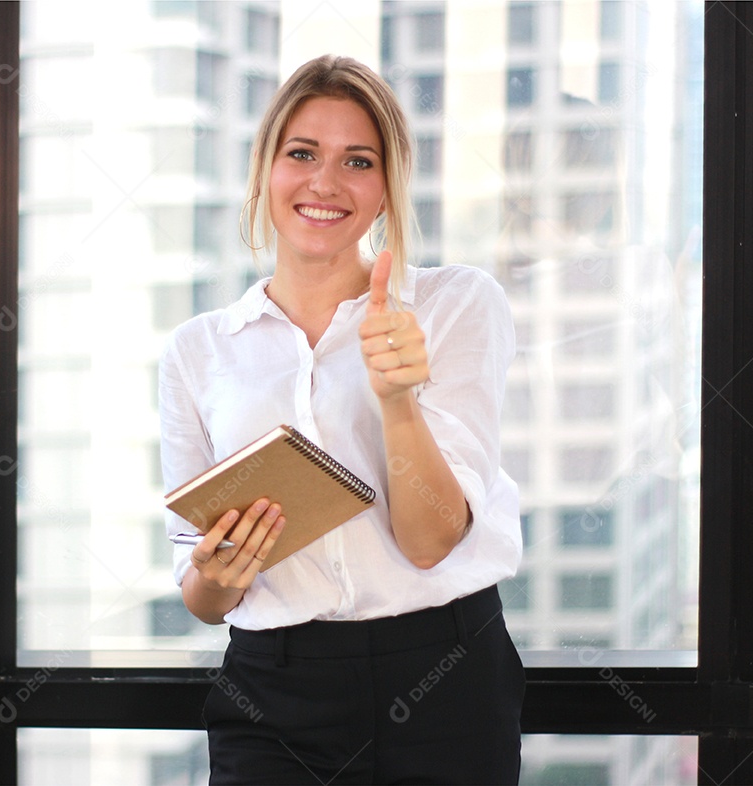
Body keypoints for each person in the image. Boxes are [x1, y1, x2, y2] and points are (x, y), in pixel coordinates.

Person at [160, 54, 524, 785]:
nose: (325, 183)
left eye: (358, 161)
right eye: (302, 154)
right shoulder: (197, 351)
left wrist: (397, 399)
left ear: (387, 187)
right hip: (273, 690)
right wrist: (217, 573)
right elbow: (203, 600)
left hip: (445, 679)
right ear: (265, 171)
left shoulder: (455, 306)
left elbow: (431, 542)